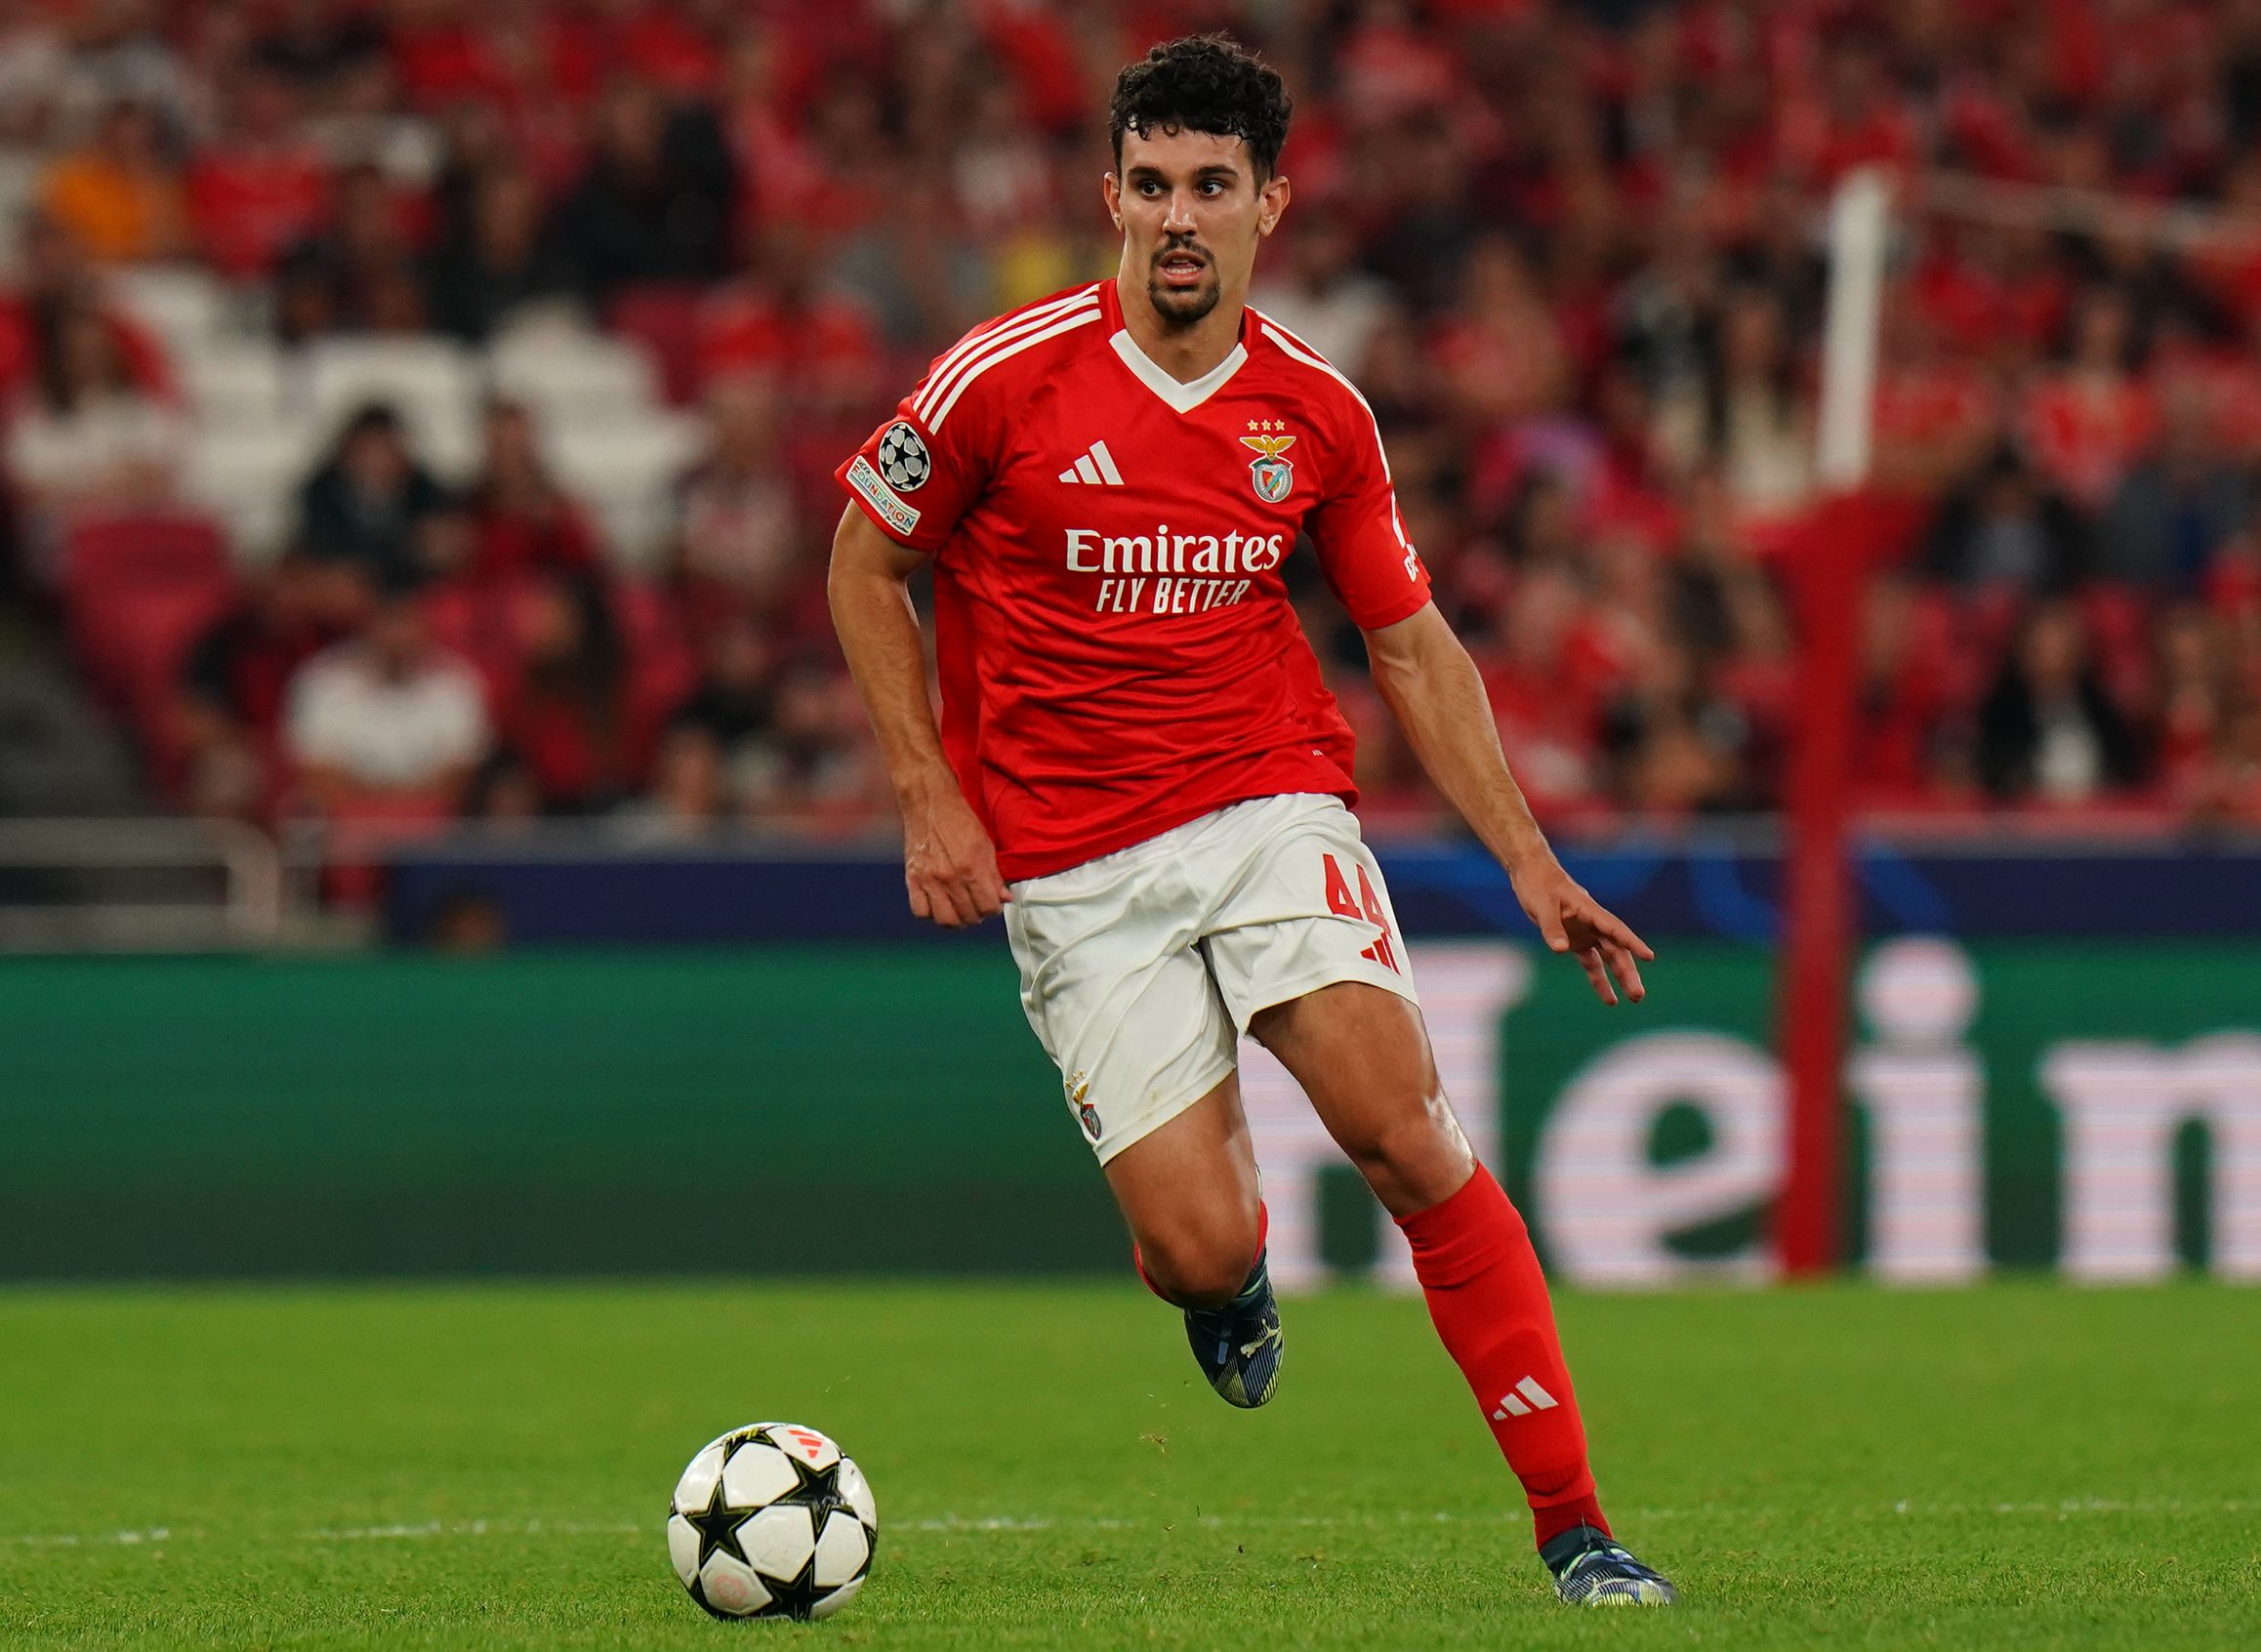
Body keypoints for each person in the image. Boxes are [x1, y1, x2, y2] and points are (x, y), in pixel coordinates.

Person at [827, 35, 1673, 1609]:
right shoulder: (997, 379)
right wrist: (928, 796)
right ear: (1111, 196)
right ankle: (1229, 1283)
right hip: (1073, 865)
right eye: (1150, 185)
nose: (1178, 218)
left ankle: (1576, 1526)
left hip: (1264, 797)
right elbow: (862, 564)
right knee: (1198, 1246)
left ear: (1269, 204)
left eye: (1213, 186)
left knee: (1400, 1122)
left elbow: (1410, 644)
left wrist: (1531, 861)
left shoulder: (1320, 414)